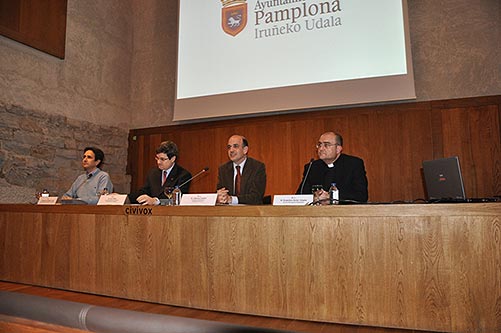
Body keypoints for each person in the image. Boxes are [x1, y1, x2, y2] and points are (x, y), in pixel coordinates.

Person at [296, 132, 368, 203]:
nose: (321, 148)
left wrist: (330, 197)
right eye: (319, 145)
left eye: (326, 145)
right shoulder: (312, 167)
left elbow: (361, 196)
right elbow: (301, 195)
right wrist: (314, 197)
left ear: (338, 149)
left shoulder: (353, 164)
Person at [129, 141, 192, 205]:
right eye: (157, 158)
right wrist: (124, 198)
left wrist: (156, 201)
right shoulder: (152, 173)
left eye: (162, 159)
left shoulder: (183, 175)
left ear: (173, 159)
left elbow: (177, 199)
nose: (158, 162)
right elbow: (144, 191)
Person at [216, 135, 266, 205]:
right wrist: (219, 196)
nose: (231, 150)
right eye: (229, 147)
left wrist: (232, 199)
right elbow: (220, 191)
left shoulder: (257, 167)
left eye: (235, 146)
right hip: (228, 213)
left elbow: (256, 196)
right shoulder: (223, 169)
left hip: (251, 212)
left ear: (245, 150)